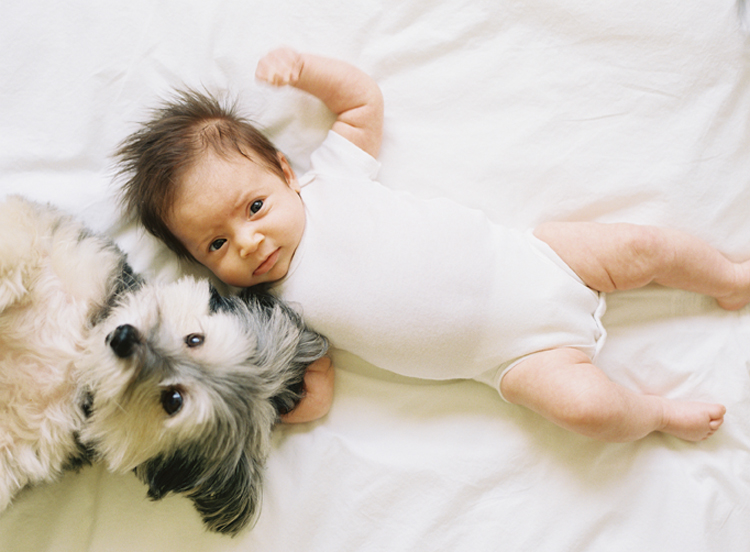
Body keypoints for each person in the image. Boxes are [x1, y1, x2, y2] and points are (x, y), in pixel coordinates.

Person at [116, 47, 749, 442]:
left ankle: (724, 277)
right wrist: (281, 413)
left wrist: (306, 71)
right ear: (198, 263)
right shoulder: (272, 312)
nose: (249, 242)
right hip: (515, 357)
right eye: (216, 244)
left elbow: (362, 101)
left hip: (535, 259)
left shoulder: (328, 178)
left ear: (284, 171)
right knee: (588, 412)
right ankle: (655, 415)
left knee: (639, 245)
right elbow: (319, 385)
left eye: (254, 208)